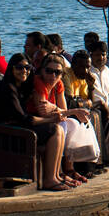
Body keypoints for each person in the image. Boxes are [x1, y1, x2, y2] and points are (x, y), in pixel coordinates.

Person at [0, 53, 67, 191]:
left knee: (57, 129)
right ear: (11, 69)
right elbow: (24, 119)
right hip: (4, 133)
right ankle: (49, 179)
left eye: (27, 68)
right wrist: (51, 119)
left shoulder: (21, 87)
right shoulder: (8, 88)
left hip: (16, 129)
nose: (24, 71)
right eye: (19, 67)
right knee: (55, 129)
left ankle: (56, 175)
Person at [31, 53, 96, 183]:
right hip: (36, 121)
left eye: (57, 72)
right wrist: (72, 111)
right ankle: (58, 172)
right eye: (49, 71)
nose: (53, 76)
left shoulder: (58, 84)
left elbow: (64, 111)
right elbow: (43, 111)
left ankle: (69, 168)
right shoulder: (38, 83)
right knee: (63, 125)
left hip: (51, 120)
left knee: (71, 122)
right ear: (42, 71)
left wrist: (54, 108)